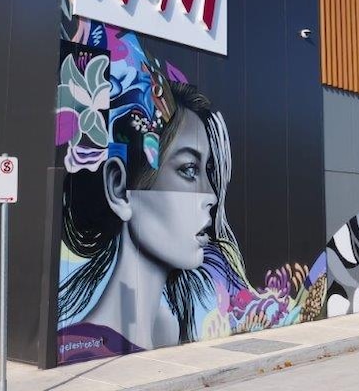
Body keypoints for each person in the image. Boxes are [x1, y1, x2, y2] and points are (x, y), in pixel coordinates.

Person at [56, 28, 236, 362]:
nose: (211, 196)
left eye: (207, 171)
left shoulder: (169, 327)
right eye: (188, 170)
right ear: (119, 189)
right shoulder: (90, 348)